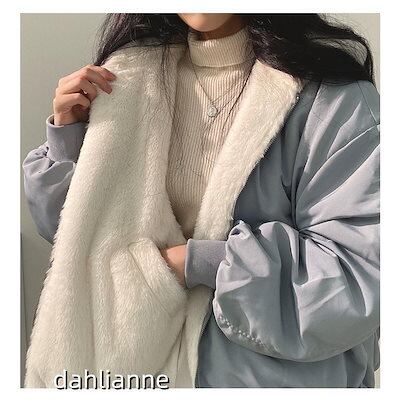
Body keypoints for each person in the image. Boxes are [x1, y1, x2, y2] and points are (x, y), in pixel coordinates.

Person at [22, 13, 380, 388]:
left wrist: (191, 263)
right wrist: (69, 136)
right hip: (136, 372)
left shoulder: (329, 96)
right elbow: (78, 242)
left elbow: (358, 275)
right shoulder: (128, 76)